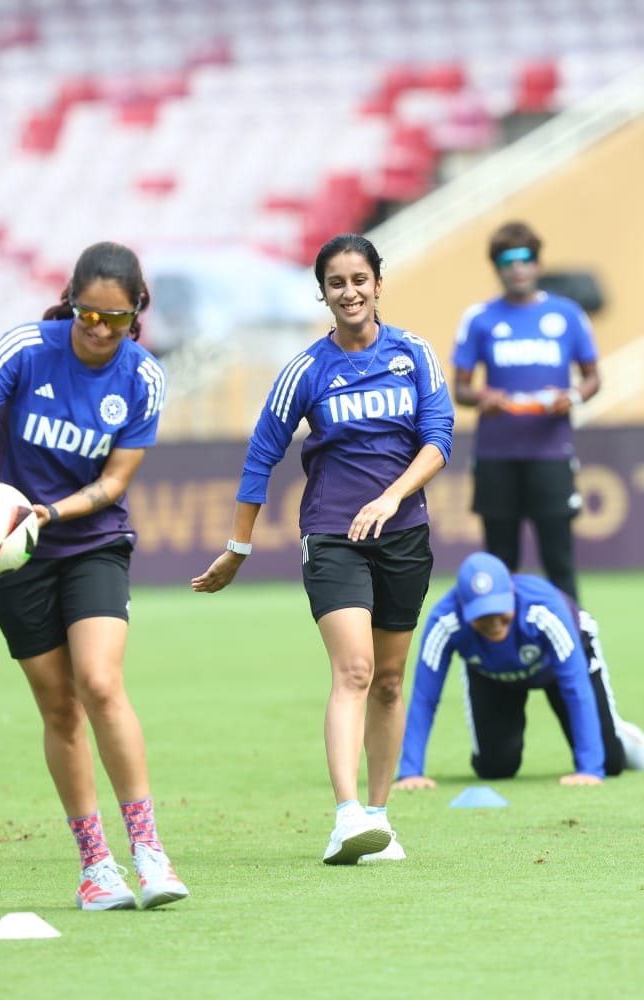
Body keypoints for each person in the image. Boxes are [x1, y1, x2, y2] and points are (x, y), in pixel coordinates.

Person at [0, 241, 188, 910]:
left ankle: (149, 852)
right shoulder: (25, 348)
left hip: (91, 541)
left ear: (137, 312)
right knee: (58, 707)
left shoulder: (143, 377)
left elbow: (113, 482)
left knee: (100, 683)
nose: (98, 329)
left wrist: (47, 511)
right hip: (15, 556)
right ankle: (95, 866)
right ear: (70, 301)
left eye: (113, 317)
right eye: (86, 314)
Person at [192, 233, 454, 865]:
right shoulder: (306, 370)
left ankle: (380, 821)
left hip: (404, 535)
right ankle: (345, 815)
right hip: (333, 536)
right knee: (356, 671)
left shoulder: (414, 354)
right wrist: (238, 547)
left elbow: (439, 438)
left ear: (378, 285)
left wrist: (392, 498)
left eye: (360, 280)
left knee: (390, 682)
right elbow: (261, 454)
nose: (350, 292)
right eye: (337, 283)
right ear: (324, 293)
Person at [393, 552, 644, 792]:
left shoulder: (543, 608)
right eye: (482, 615)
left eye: (499, 612)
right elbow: (425, 697)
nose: (494, 623)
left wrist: (590, 769)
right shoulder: (446, 620)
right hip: (493, 674)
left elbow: (575, 685)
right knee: (495, 769)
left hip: (560, 667)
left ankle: (621, 734)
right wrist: (411, 772)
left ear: (512, 594)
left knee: (609, 762)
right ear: (463, 606)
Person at [452, 221, 599, 601]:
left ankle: (577, 654)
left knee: (559, 564)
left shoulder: (566, 314)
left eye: (526, 259)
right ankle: (499, 654)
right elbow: (462, 389)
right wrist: (485, 397)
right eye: (507, 261)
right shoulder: (480, 318)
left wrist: (574, 397)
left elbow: (593, 378)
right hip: (496, 457)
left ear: (537, 263)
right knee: (500, 566)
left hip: (550, 455)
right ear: (496, 267)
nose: (517, 268)